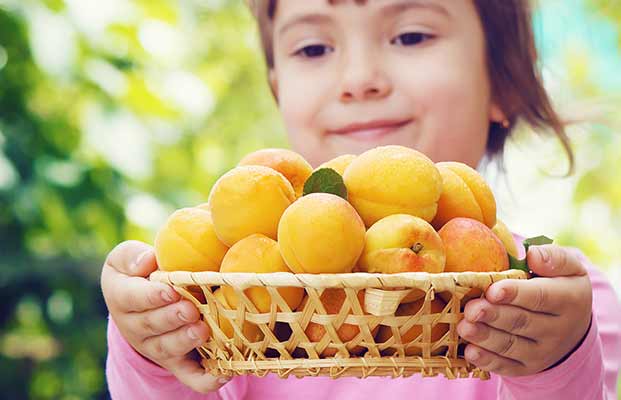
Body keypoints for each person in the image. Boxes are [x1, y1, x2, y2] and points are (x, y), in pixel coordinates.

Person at [100, 1, 621, 398]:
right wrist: (156, 344)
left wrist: (558, 362)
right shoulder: (233, 288)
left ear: (504, 79)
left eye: (411, 35)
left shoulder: (553, 300)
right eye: (312, 48)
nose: (358, 81)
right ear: (277, 88)